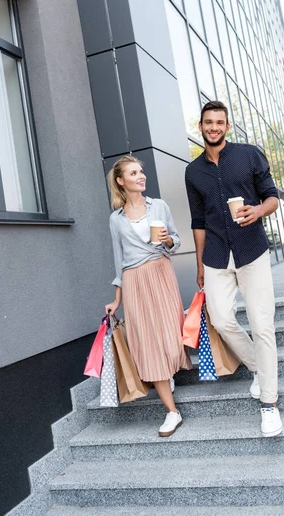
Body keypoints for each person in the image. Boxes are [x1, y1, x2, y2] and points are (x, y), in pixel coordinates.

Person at [185, 100, 282, 437]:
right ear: (200, 127)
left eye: (220, 122)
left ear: (227, 126)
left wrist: (258, 211)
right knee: (223, 319)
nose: (214, 127)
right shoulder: (193, 171)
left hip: (252, 250)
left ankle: (269, 403)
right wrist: (199, 263)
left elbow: (272, 196)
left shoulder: (249, 154)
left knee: (262, 324)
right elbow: (198, 221)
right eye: (208, 122)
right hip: (215, 256)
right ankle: (261, 367)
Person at [105, 155, 191, 437]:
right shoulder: (115, 220)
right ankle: (171, 412)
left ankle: (166, 372)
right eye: (133, 173)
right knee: (148, 344)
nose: (141, 176)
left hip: (161, 273)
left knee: (169, 336)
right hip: (134, 282)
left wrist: (167, 239)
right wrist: (116, 299)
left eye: (141, 171)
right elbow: (119, 261)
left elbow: (175, 242)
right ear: (121, 181)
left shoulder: (160, 206)